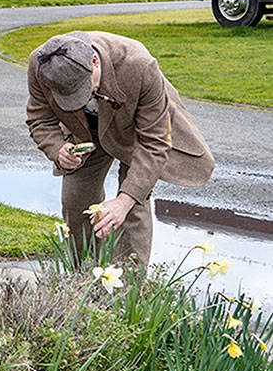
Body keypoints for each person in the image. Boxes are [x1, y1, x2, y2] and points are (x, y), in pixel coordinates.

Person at [26, 31, 214, 265]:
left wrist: (123, 202)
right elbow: (40, 118)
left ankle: (127, 291)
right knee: (76, 202)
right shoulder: (42, 63)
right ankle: (82, 282)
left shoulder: (139, 66)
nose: (81, 100)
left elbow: (154, 142)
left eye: (85, 91)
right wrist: (58, 149)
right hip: (83, 133)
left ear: (94, 62)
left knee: (133, 203)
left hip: (136, 130)